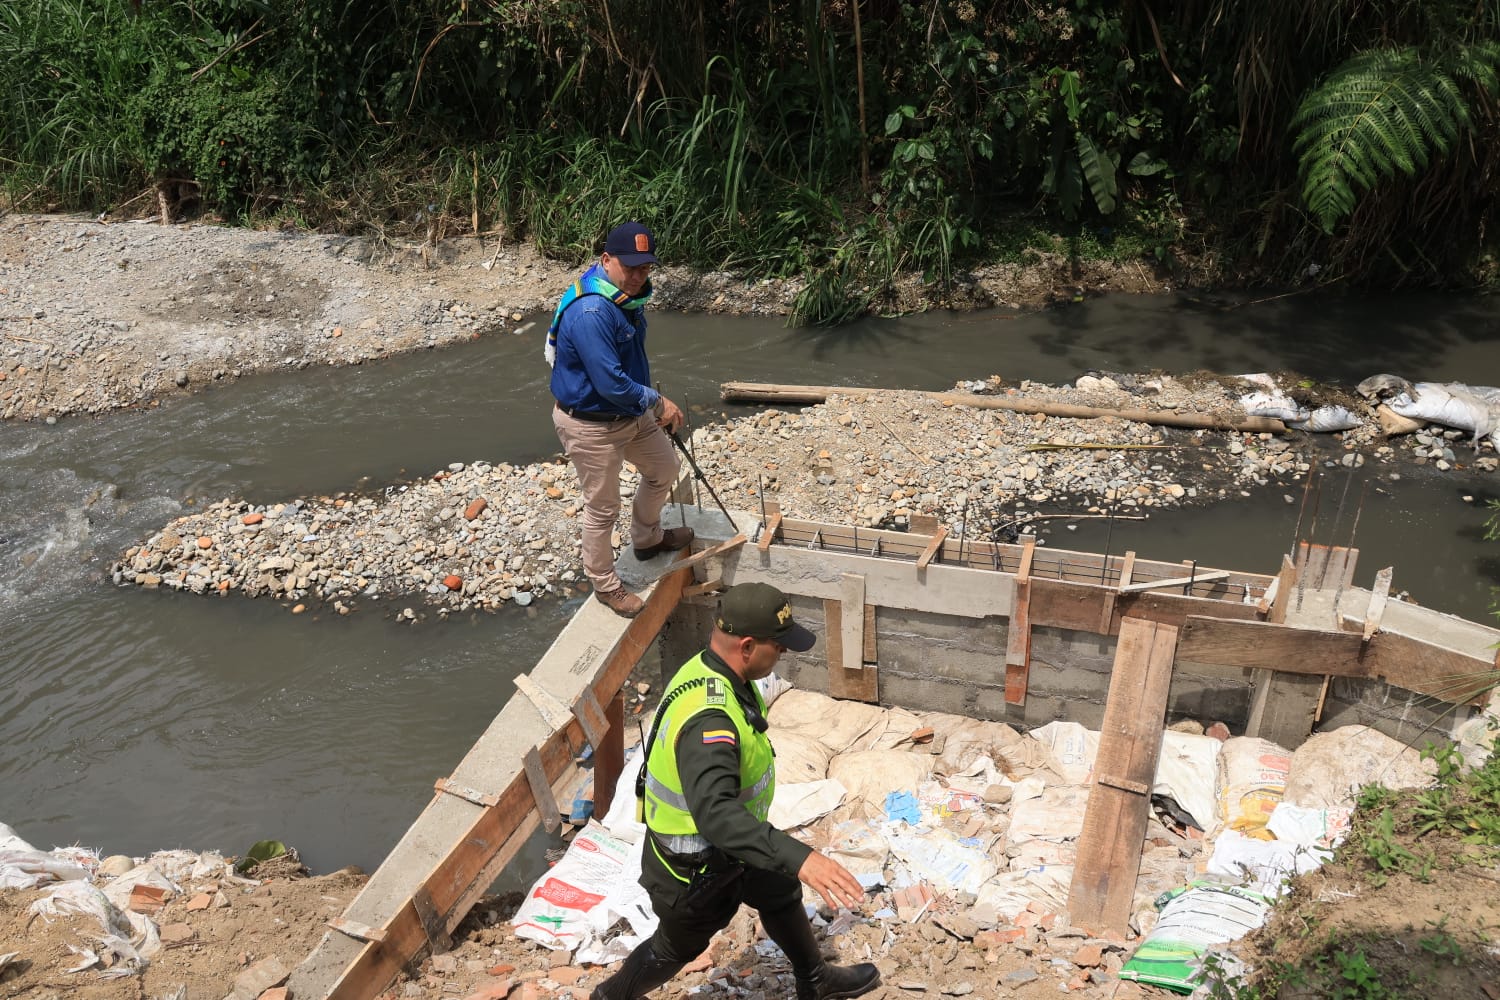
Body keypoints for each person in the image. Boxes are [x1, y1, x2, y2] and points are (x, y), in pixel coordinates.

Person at [591, 583, 881, 1000]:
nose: (783, 654)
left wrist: (786, 860)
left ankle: (814, 981)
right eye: (778, 646)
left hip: (735, 845)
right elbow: (717, 816)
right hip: (695, 867)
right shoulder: (711, 721)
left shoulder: (710, 670)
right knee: (676, 949)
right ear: (747, 646)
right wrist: (803, 857)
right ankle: (608, 997)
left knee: (779, 888)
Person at [547, 221, 692, 618]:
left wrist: (647, 403)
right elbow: (610, 382)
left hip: (627, 412)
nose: (638, 276)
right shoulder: (593, 311)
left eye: (645, 268)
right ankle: (605, 584)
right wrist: (657, 402)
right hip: (591, 423)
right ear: (606, 259)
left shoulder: (626, 298)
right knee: (602, 507)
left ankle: (646, 539)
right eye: (630, 267)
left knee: (665, 468)